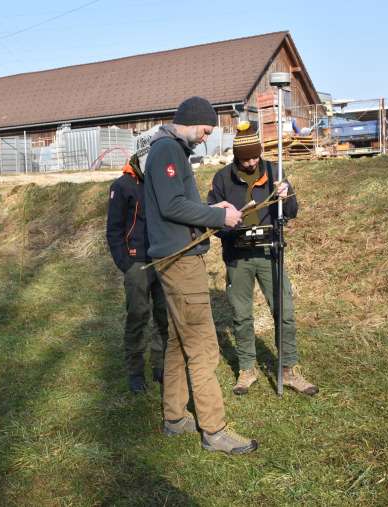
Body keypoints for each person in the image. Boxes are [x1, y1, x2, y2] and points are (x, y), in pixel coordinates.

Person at [144, 96, 258, 455]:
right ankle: (214, 430)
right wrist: (218, 218)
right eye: (206, 130)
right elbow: (172, 206)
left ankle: (176, 417)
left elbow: (179, 203)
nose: (207, 137)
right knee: (203, 346)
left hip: (175, 257)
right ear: (192, 121)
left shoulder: (172, 150)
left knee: (179, 341)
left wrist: (213, 208)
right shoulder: (168, 151)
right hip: (180, 263)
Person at [207, 121, 318, 397]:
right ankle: (247, 367)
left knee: (285, 312)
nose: (251, 162)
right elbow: (212, 218)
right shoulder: (222, 179)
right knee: (241, 315)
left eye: (255, 156)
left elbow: (291, 211)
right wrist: (227, 222)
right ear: (236, 156)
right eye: (246, 158)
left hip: (270, 254)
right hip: (238, 256)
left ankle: (289, 369)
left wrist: (286, 193)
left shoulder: (274, 171)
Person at [106, 153, 169, 394]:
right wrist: (126, 263)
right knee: (138, 317)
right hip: (136, 263)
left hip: (162, 259)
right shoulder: (121, 186)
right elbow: (113, 230)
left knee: (163, 316)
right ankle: (135, 371)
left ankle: (160, 365)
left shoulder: (157, 181)